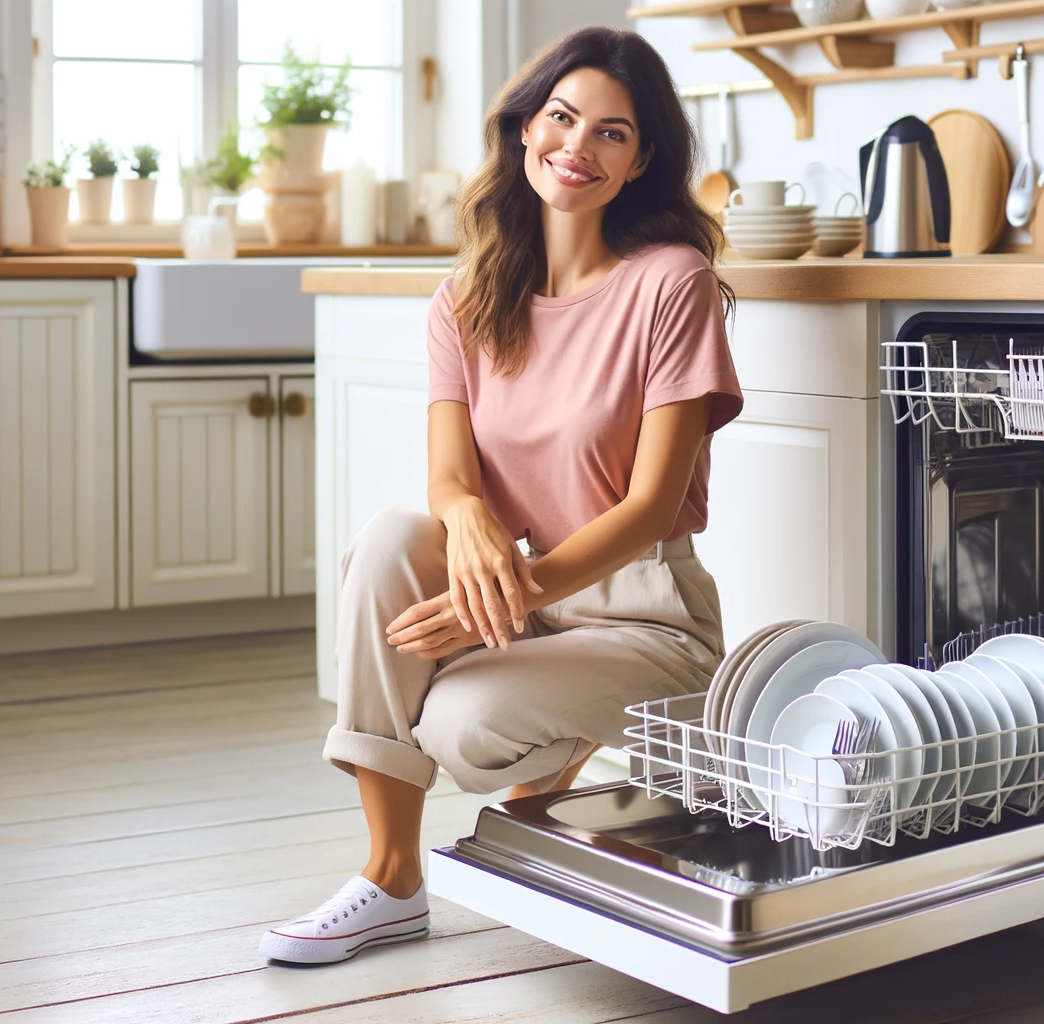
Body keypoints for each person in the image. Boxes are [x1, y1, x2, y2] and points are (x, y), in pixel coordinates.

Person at [259, 27, 742, 965]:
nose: (578, 146)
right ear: (524, 129)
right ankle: (391, 878)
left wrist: (520, 590)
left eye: (612, 132)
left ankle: (549, 780)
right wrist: (472, 518)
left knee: (459, 725)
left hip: (644, 615)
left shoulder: (669, 284)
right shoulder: (469, 295)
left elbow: (650, 505)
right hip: (523, 589)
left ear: (641, 161)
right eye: (562, 118)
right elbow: (449, 477)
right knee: (393, 537)